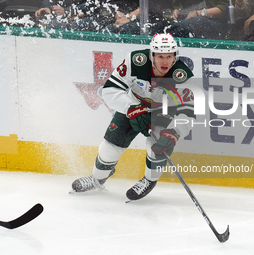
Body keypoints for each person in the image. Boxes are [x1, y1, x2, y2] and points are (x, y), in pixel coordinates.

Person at [71, 33, 195, 201]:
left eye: (169, 57)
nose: (165, 62)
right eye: (160, 57)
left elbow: (189, 111)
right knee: (110, 147)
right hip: (134, 105)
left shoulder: (182, 75)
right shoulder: (136, 61)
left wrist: (174, 132)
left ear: (175, 57)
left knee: (156, 146)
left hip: (163, 112)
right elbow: (109, 89)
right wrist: (132, 108)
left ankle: (149, 180)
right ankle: (97, 179)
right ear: (152, 56)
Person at [104, 0, 174, 35]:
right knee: (107, 30)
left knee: (125, 29)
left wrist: (129, 17)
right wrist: (119, 14)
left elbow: (152, 6)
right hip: (128, 17)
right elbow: (116, 3)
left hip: (153, 19)